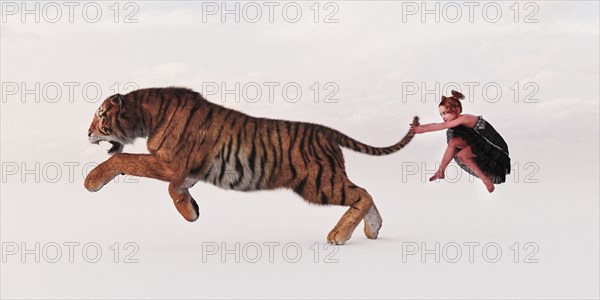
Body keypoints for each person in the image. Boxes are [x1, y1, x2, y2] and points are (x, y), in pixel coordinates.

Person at [414, 90, 511, 193]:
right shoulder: (458, 120)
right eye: (441, 114)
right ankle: (441, 170)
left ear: (457, 109)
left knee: (462, 156)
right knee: (453, 142)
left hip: (494, 148)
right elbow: (436, 123)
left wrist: (421, 130)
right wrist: (419, 127)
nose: (443, 117)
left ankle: (485, 179)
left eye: (445, 113)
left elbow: (442, 126)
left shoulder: (465, 118)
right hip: (478, 140)